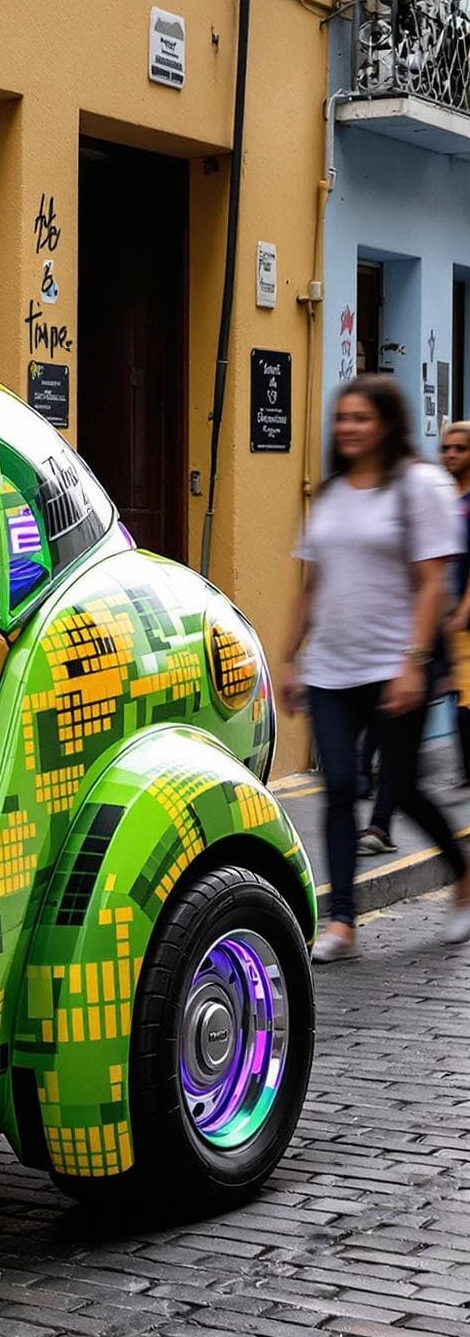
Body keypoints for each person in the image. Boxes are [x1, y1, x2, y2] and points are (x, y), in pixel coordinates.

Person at [281, 375, 470, 961]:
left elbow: (433, 581)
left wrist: (415, 663)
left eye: (361, 418)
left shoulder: (421, 486)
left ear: (387, 423)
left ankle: (463, 880)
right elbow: (311, 584)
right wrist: (291, 655)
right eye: (343, 418)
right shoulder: (333, 493)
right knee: (339, 787)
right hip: (332, 671)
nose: (349, 428)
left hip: (394, 668)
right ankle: (342, 923)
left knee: (404, 788)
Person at [444, 419, 470, 786]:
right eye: (446, 448)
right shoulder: (443, 498)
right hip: (443, 617)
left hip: (465, 621)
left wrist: (465, 608)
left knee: (465, 707)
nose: (450, 455)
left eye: (460, 449)